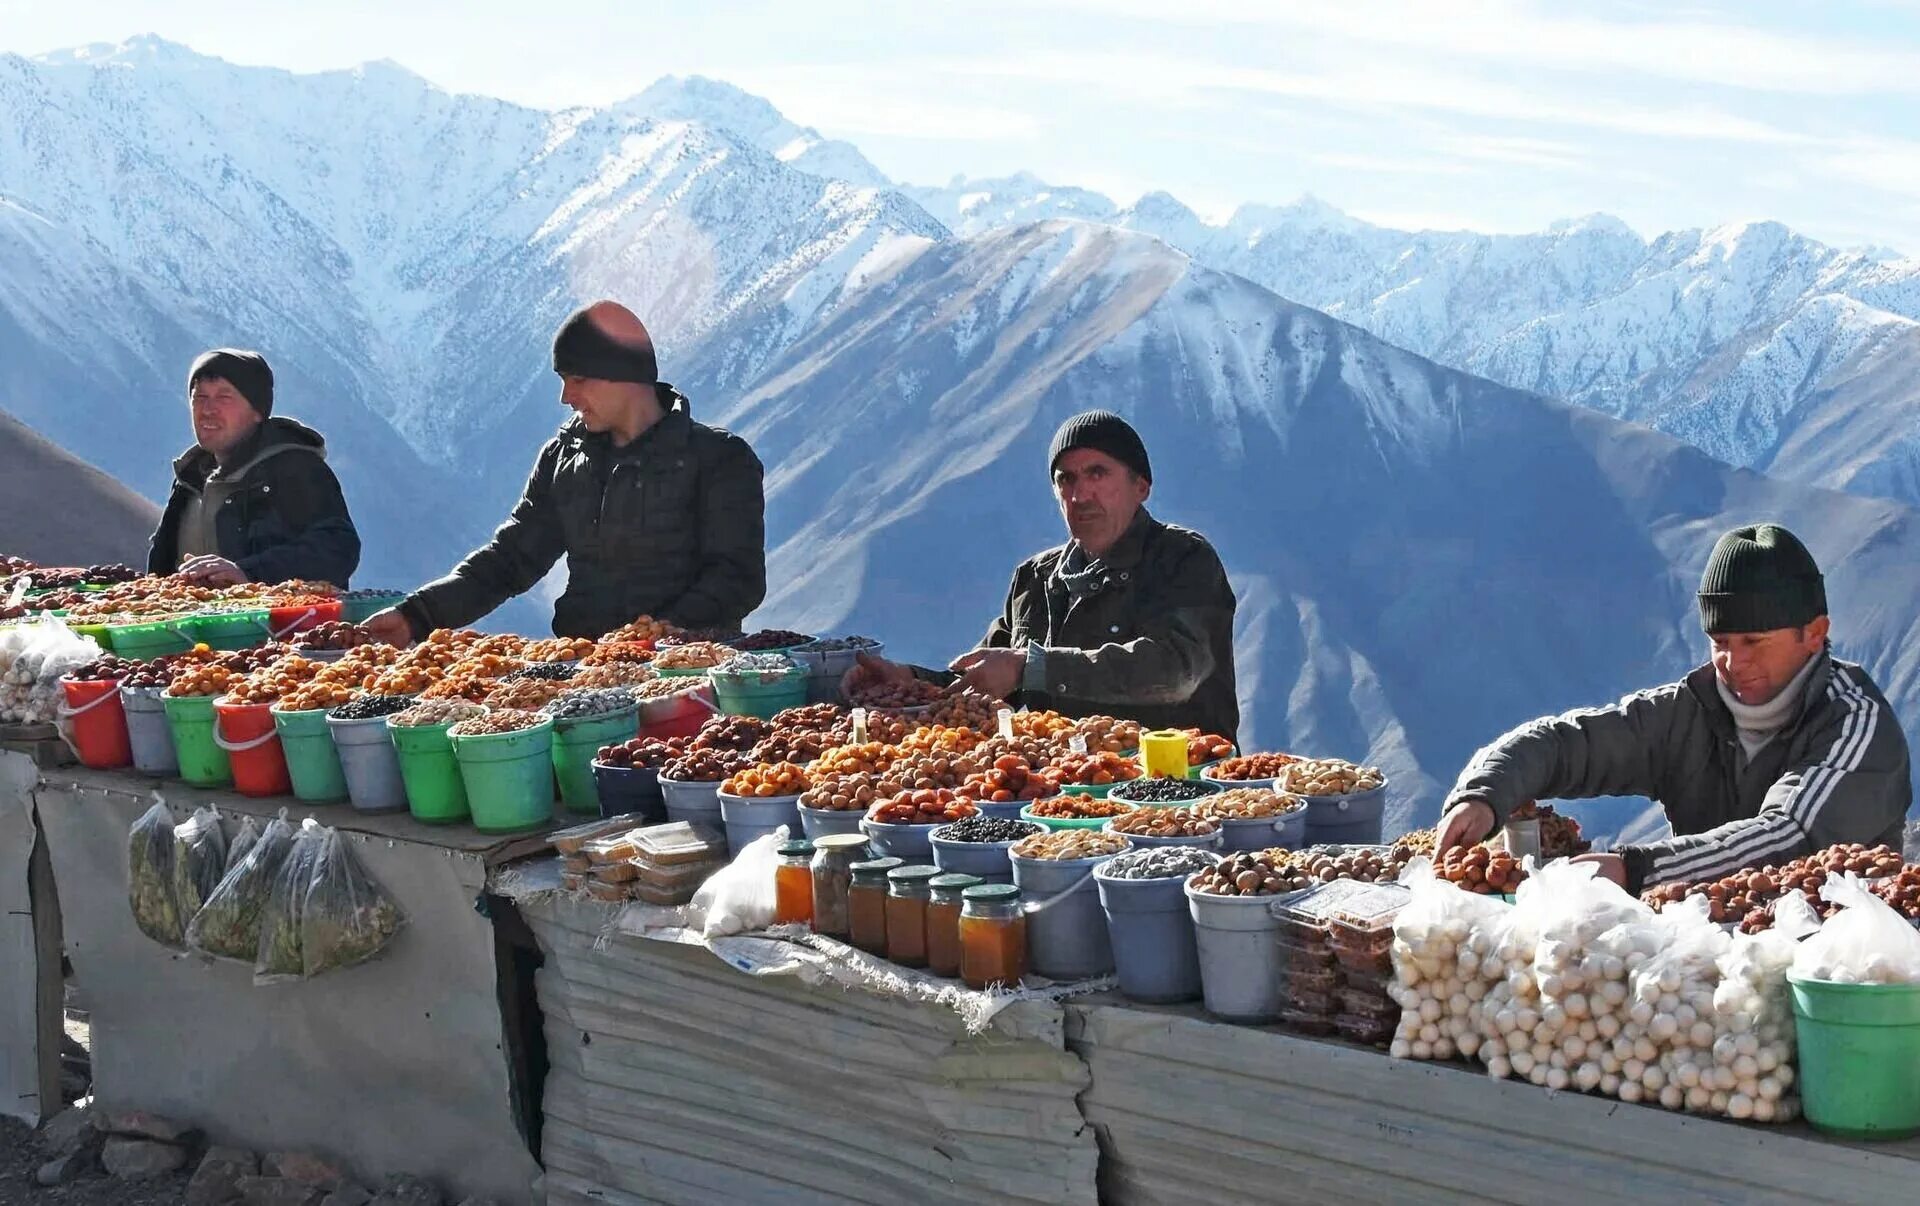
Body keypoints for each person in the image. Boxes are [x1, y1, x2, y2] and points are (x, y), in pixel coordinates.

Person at [1436, 523, 1911, 894]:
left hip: (1838, 967)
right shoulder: (1688, 712)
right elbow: (1561, 744)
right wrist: (1483, 795)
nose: (1733, 661)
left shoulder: (1856, 726)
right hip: (1698, 961)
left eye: (1754, 642)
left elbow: (1788, 837)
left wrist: (1638, 869)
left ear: (1814, 633)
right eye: (1719, 641)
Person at [366, 301, 765, 643]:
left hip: (687, 673)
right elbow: (509, 560)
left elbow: (736, 577)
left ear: (623, 375)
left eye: (577, 380)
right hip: (585, 671)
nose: (566, 397)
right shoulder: (564, 457)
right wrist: (417, 616)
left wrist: (658, 636)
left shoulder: (719, 460)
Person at [847, 410, 1240, 739]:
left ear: (1141, 486)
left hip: (1176, 792)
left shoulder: (1182, 559)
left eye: (1097, 473)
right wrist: (907, 680)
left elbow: (1177, 672)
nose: (1080, 495)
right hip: (1059, 797)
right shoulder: (1035, 580)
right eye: (1065, 479)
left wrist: (1031, 667)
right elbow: (984, 678)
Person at [147, 349, 360, 588]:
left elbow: (338, 547)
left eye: (224, 398)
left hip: (282, 624)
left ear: (258, 411)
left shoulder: (294, 468)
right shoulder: (189, 479)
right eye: (200, 398)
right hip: (186, 624)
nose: (208, 410)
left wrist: (249, 573)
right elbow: (162, 572)